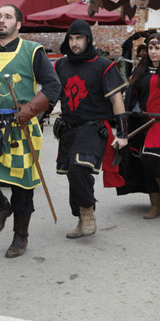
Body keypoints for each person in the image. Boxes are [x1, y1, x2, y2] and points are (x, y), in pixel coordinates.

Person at [0, 4, 61, 258]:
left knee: (22, 186)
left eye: (8, 17)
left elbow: (53, 86)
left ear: (18, 25)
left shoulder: (32, 51)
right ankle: (1, 206)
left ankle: (20, 237)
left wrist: (31, 108)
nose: (2, 20)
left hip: (22, 127)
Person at [54, 19, 128, 239]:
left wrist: (122, 133)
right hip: (68, 128)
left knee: (79, 167)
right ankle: (80, 217)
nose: (75, 43)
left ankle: (87, 213)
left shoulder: (103, 65)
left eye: (79, 38)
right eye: (72, 38)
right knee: (72, 174)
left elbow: (117, 100)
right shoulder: (61, 65)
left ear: (88, 39)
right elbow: (53, 94)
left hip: (93, 127)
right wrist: (36, 113)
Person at [122, 33, 160, 219]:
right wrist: (135, 108)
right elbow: (131, 95)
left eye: (157, 48)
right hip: (146, 124)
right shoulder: (141, 71)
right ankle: (155, 205)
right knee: (146, 162)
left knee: (153, 159)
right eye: (151, 48)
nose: (153, 52)